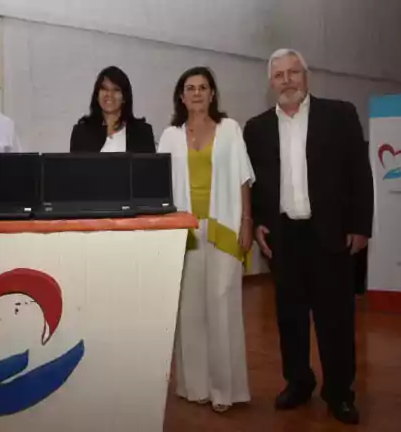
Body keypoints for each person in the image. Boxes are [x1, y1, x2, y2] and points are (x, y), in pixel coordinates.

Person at [243, 48, 373, 425]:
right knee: (290, 318)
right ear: (271, 83)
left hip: (331, 234)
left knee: (336, 319)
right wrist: (262, 222)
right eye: (279, 75)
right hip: (285, 237)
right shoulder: (257, 127)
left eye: (293, 72)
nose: (287, 80)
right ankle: (298, 382)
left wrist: (362, 226)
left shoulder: (340, 115)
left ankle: (339, 393)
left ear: (306, 76)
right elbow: (258, 184)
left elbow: (359, 175)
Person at [159, 66, 255, 413]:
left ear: (212, 94)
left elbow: (244, 177)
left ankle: (225, 390)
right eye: (190, 87)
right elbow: (159, 185)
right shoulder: (169, 136)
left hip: (225, 227)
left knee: (222, 304)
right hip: (183, 230)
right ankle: (194, 386)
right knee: (189, 311)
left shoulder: (230, 129)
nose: (197, 93)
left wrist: (247, 221)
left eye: (203, 87)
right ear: (181, 96)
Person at [69, 66, 155, 153]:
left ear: (124, 97)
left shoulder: (142, 132)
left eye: (116, 90)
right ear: (97, 95)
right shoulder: (81, 133)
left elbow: (149, 166)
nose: (109, 94)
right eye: (104, 89)